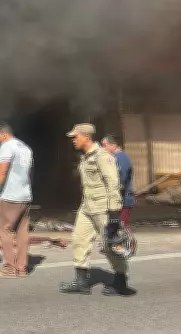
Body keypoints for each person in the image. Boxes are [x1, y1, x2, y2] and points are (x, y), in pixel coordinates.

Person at [60, 123, 132, 296]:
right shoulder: (85, 158)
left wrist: (114, 213)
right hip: (87, 207)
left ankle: (121, 281)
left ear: (86, 137)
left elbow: (113, 184)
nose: (73, 140)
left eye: (75, 137)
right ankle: (81, 281)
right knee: (79, 240)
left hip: (103, 209)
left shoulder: (103, 156)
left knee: (110, 245)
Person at [0, 122, 33, 278]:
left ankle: (9, 268)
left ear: (4, 134)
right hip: (25, 196)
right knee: (22, 231)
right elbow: (29, 173)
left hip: (9, 196)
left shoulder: (7, 146)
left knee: (4, 230)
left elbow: (2, 171)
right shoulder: (26, 148)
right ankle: (22, 268)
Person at [101, 134, 135, 227]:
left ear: (113, 145)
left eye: (104, 145)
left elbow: (120, 179)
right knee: (116, 228)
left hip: (122, 200)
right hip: (118, 200)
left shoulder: (120, 158)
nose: (102, 148)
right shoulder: (115, 158)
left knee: (120, 228)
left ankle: (126, 236)